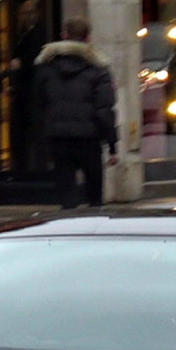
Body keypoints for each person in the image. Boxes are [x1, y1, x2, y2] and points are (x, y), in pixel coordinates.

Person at [35, 17, 119, 209]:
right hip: (89, 137)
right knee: (95, 194)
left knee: (66, 192)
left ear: (64, 37)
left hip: (58, 137)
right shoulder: (99, 70)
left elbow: (38, 103)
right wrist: (112, 145)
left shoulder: (47, 68)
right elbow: (105, 109)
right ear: (88, 38)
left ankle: (68, 225)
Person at [6, 0, 49, 173]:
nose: (26, 16)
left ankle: (34, 169)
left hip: (33, 94)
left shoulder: (38, 35)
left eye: (30, 12)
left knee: (34, 134)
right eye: (24, 12)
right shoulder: (23, 34)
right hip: (24, 92)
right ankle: (23, 168)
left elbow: (37, 62)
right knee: (23, 135)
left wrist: (20, 65)